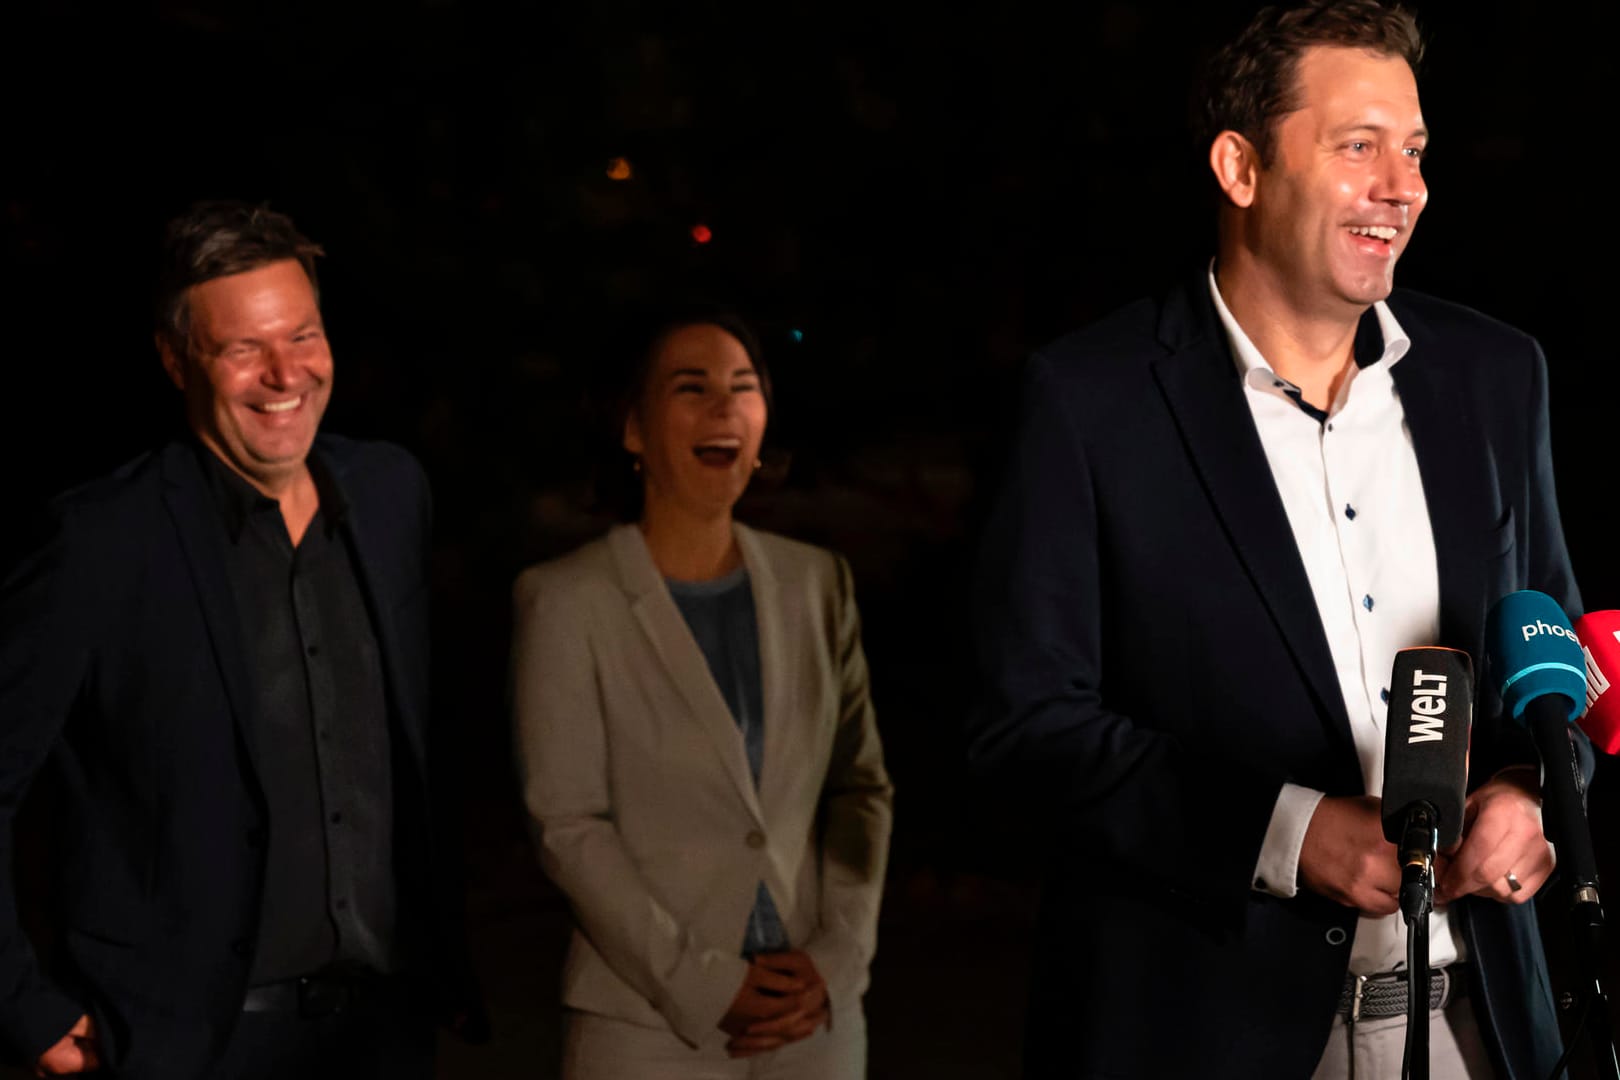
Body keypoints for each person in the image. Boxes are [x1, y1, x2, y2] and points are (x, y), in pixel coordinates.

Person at [968, 4, 1578, 1077]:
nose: (1405, 185)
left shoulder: (1495, 378)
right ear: (1239, 167)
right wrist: (1287, 834)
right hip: (1210, 1030)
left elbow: (1553, 660)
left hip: (1483, 1021)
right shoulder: (1090, 400)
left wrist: (1532, 793)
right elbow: (1025, 727)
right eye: (1359, 147)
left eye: (1416, 150)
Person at [0, 202, 480, 1079]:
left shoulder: (390, 493)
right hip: (190, 1047)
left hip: (385, 1032)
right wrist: (23, 1007)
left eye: (302, 335)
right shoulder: (99, 543)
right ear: (175, 357)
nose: (283, 373)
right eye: (243, 349)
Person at [512, 308, 893, 1078]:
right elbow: (568, 823)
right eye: (692, 388)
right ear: (632, 429)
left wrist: (837, 958)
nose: (725, 408)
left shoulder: (817, 584)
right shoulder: (566, 600)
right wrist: (707, 981)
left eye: (743, 387)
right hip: (645, 1023)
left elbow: (861, 787)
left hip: (811, 1018)